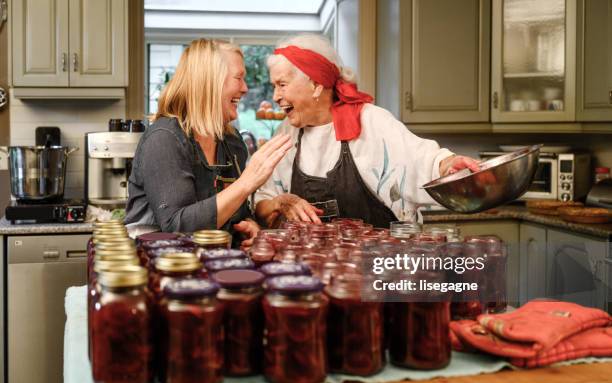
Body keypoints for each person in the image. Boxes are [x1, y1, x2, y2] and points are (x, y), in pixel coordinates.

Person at [254, 34, 481, 228]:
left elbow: (421, 159)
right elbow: (262, 204)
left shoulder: (370, 121)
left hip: (381, 267)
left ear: (316, 84)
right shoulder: (286, 134)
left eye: (282, 85)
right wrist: (280, 202)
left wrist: (447, 165)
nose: (275, 97)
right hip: (310, 274)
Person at [125, 39, 292, 245]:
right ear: (210, 82)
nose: (245, 88)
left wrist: (249, 226)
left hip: (212, 265)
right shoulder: (164, 138)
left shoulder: (231, 142)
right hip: (157, 266)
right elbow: (177, 227)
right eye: (238, 78)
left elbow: (234, 211)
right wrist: (247, 182)